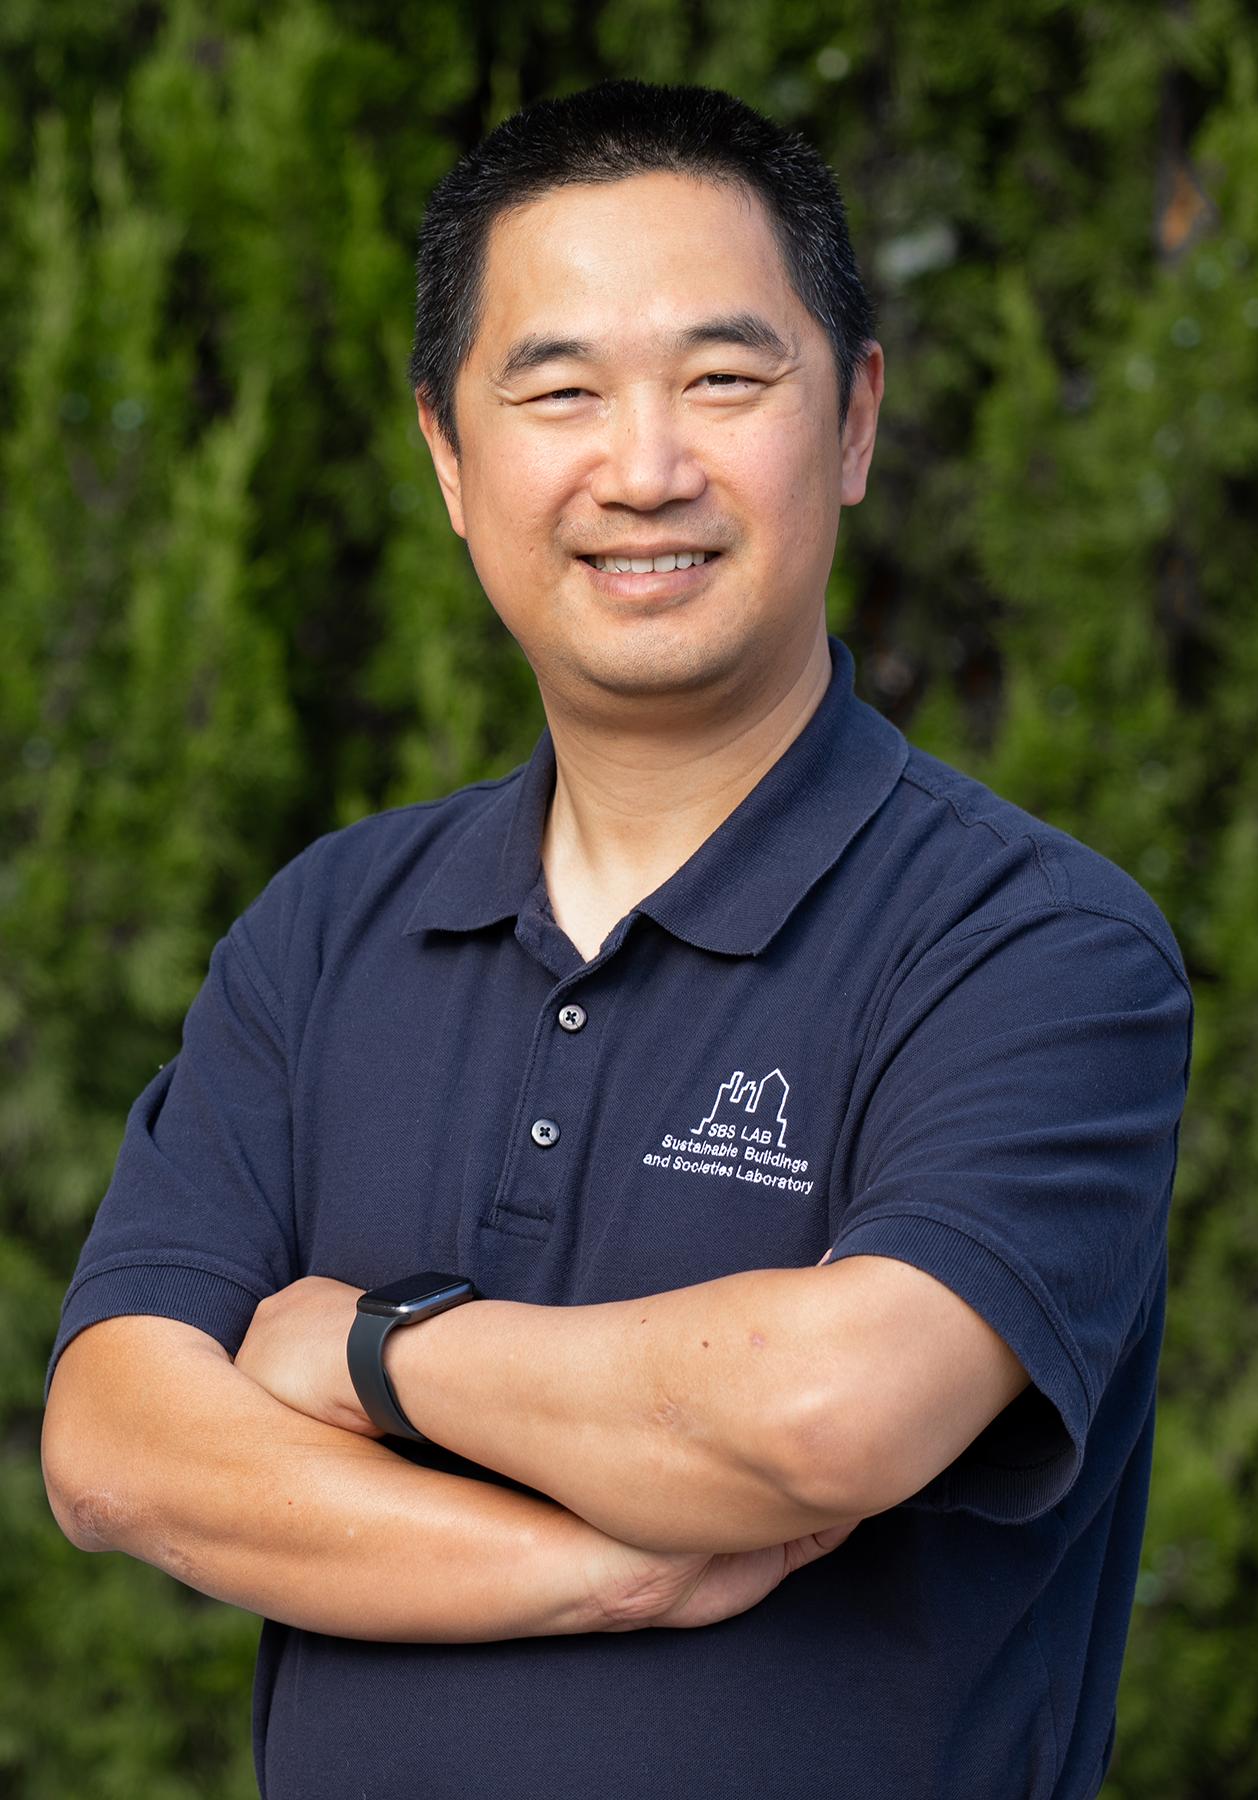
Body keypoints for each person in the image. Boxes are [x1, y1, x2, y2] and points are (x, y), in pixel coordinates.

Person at [41, 80, 1192, 1800]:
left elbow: (827, 1415)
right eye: (559, 389)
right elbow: (120, 1446)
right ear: (448, 455)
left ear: (856, 419)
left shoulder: (1031, 945)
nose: (643, 469)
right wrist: (609, 1570)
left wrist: (369, 1350)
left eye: (724, 380)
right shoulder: (327, 931)